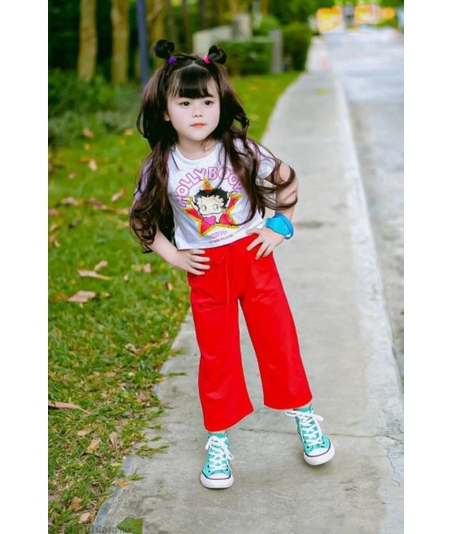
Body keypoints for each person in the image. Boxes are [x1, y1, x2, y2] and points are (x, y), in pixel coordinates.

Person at [130, 39, 335, 490]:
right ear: (165, 111)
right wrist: (174, 254)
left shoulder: (240, 150)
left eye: (207, 101)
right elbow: (141, 219)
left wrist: (280, 225)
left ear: (221, 104)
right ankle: (218, 440)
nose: (197, 112)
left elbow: (286, 179)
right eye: (185, 103)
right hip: (207, 271)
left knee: (278, 340)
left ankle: (304, 415)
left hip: (253, 259)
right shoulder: (161, 164)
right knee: (217, 355)